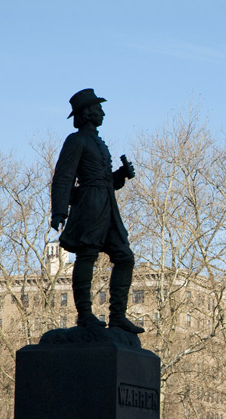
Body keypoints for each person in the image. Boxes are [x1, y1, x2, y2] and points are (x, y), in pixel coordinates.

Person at [50, 88, 144, 334]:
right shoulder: (76, 140)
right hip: (89, 204)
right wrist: (59, 211)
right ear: (88, 113)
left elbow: (104, 179)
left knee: (125, 257)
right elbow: (63, 176)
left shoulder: (98, 142)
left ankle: (118, 316)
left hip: (107, 203)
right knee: (87, 255)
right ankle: (85, 316)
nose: (102, 112)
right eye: (98, 108)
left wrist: (120, 175)